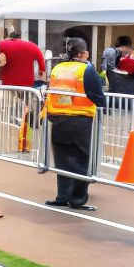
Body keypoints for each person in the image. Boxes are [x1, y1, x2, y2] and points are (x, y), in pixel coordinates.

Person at [43, 37, 105, 211]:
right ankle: (77, 200)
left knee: (62, 160)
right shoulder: (86, 68)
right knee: (80, 159)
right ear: (83, 53)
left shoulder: (58, 68)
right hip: (80, 118)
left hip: (58, 118)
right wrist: (102, 106)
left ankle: (62, 197)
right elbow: (96, 94)